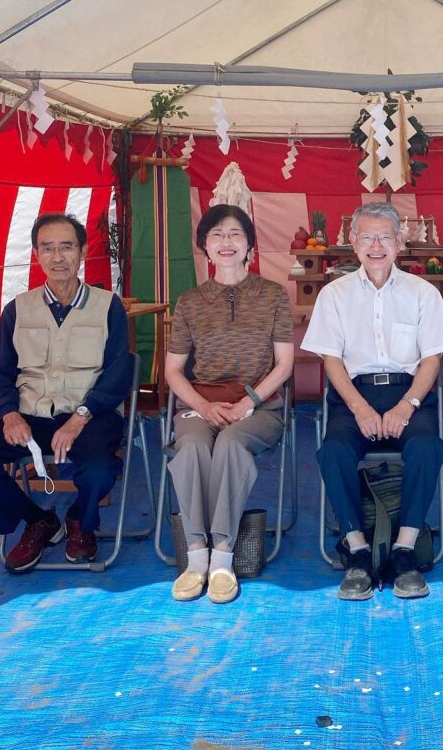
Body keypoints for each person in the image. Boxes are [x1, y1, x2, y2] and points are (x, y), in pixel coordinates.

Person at [0, 213, 131, 572]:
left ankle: (81, 520)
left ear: (81, 251)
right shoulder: (18, 309)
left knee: (98, 469)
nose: (57, 257)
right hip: (30, 415)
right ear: (36, 255)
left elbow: (118, 373)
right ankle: (38, 520)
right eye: (47, 248)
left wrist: (81, 417)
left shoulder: (107, 306)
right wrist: (9, 413)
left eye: (66, 247)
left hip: (90, 415)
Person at [302, 201, 443, 600]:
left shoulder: (422, 293)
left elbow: (432, 359)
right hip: (353, 395)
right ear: (352, 242)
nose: (376, 245)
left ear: (400, 242)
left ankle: (405, 549)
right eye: (367, 237)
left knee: (427, 446)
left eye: (384, 237)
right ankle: (356, 551)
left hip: (408, 392)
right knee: (333, 451)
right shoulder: (334, 295)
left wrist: (407, 405)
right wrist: (360, 408)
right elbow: (331, 361)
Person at [164, 204, 294, 604]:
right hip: (201, 401)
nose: (226, 242)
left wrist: (248, 402)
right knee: (192, 447)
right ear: (204, 245)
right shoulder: (189, 302)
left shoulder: (273, 295)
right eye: (217, 234)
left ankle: (222, 556)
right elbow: (173, 372)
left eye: (235, 234)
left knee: (232, 445)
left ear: (249, 245)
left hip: (260, 404)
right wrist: (203, 407)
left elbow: (285, 363)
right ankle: (195, 556)